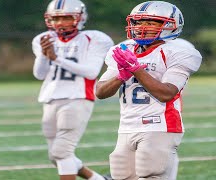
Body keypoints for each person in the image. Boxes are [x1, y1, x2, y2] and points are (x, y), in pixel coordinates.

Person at [96, 1, 202, 180]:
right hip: (127, 125)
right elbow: (100, 92)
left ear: (169, 25)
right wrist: (120, 76)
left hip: (160, 124)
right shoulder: (124, 49)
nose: (140, 27)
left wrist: (136, 69)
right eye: (137, 22)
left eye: (150, 22)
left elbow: (166, 93)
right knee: (122, 176)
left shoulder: (178, 52)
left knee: (151, 174)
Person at [32, 0, 114, 179]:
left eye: (66, 18)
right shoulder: (43, 39)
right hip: (50, 98)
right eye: (55, 18)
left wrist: (56, 58)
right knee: (55, 156)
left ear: (79, 17)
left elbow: (91, 72)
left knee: (62, 152)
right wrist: (44, 57)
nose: (60, 23)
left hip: (78, 97)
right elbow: (39, 74)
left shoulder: (94, 38)